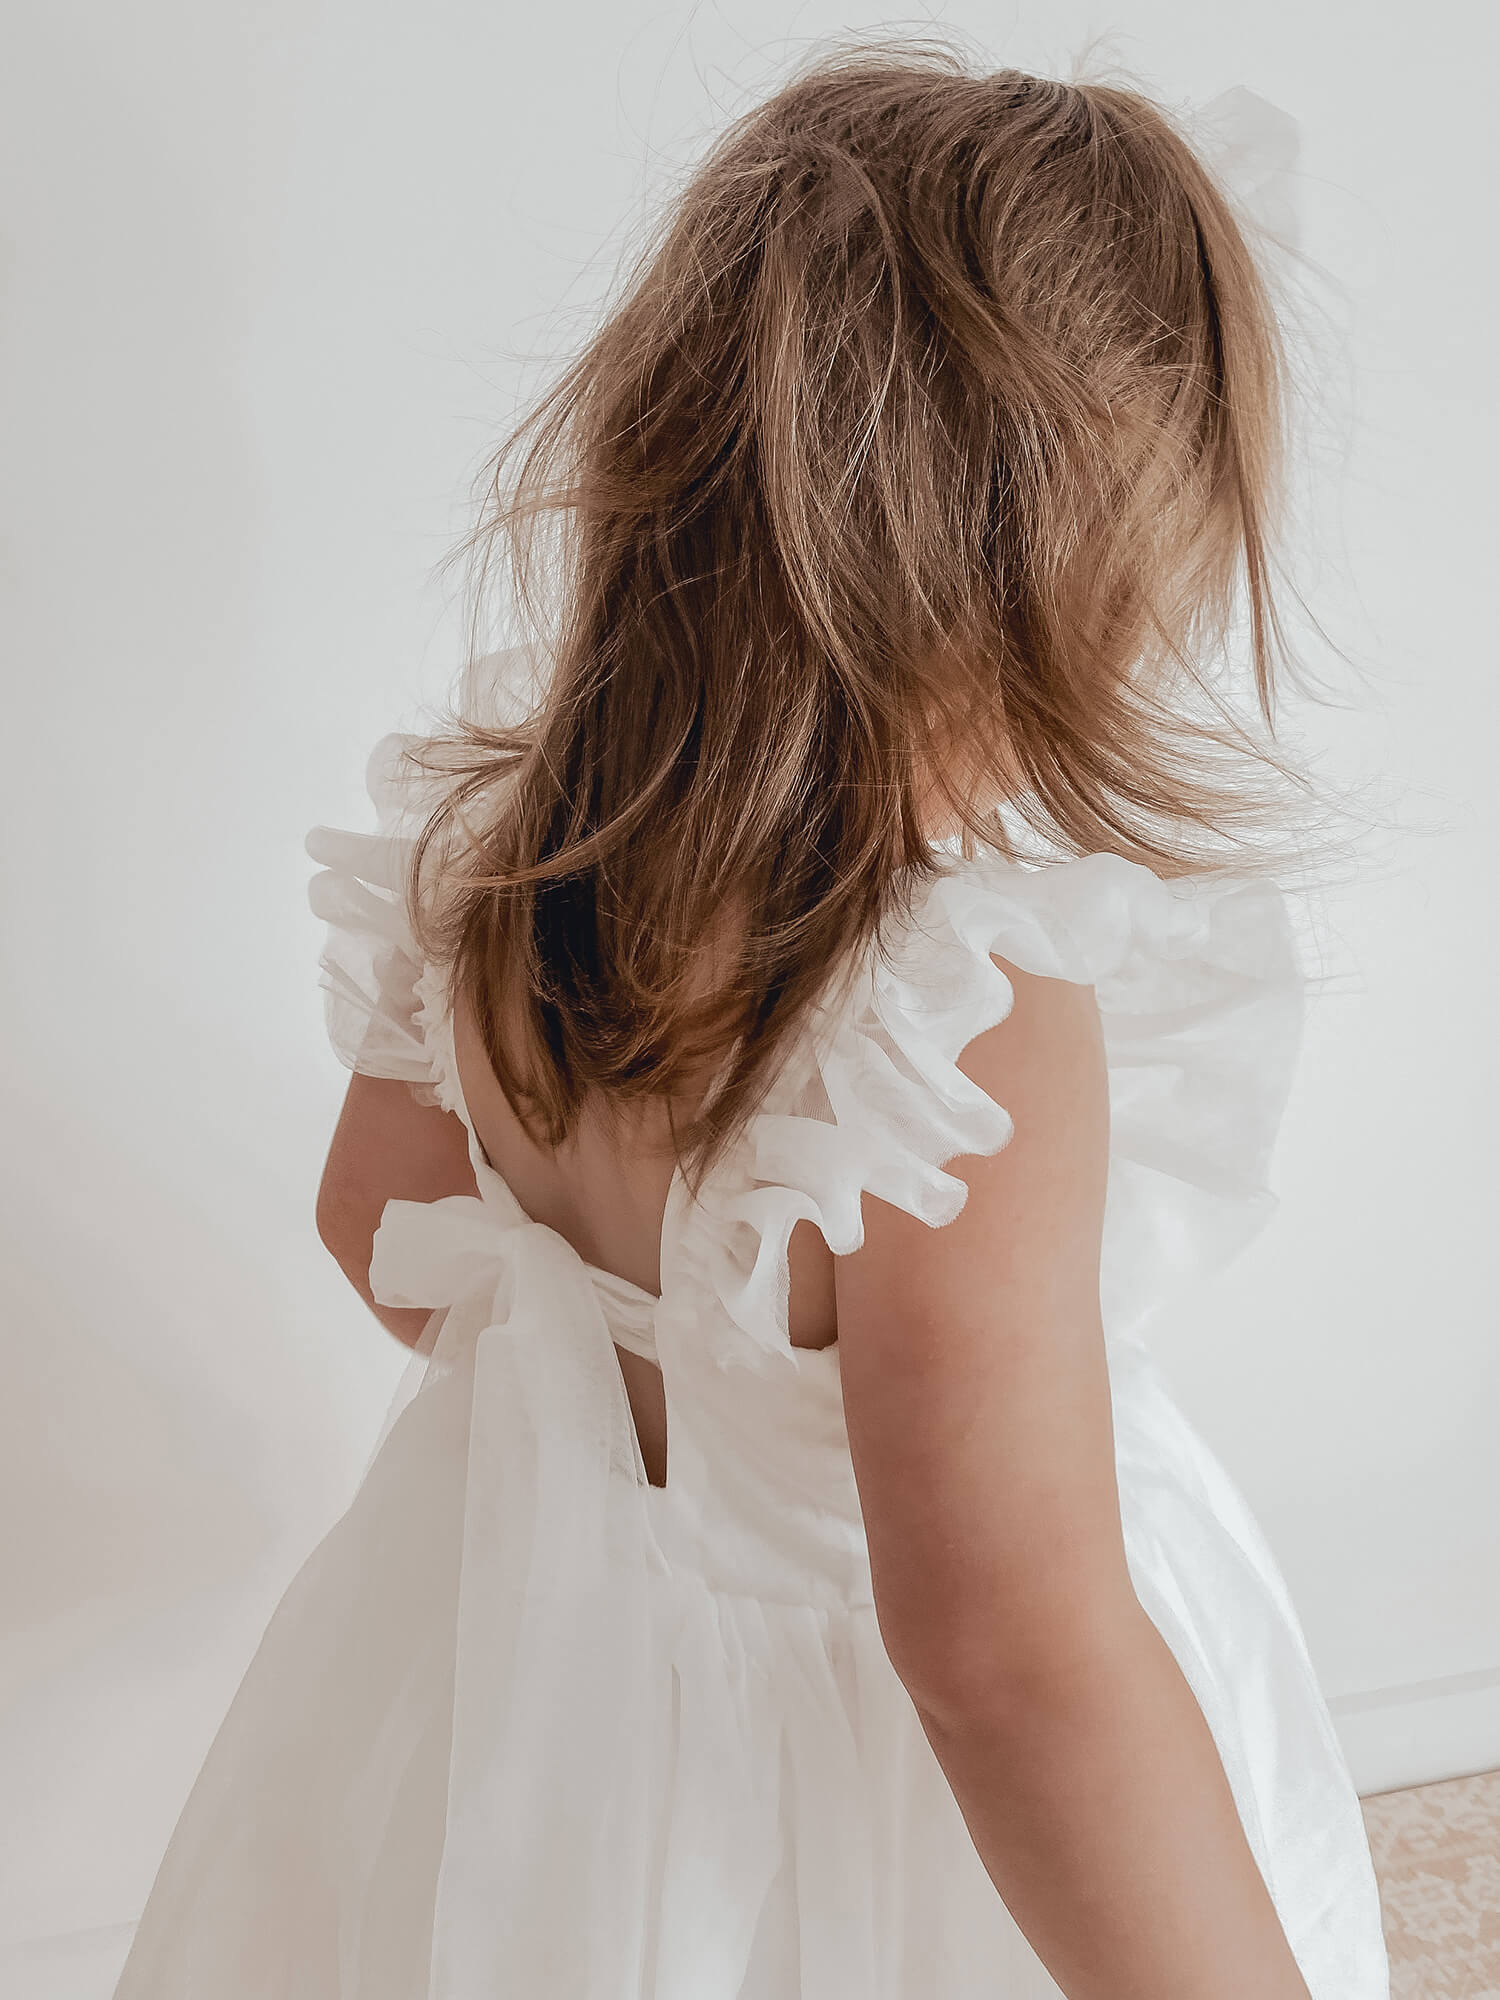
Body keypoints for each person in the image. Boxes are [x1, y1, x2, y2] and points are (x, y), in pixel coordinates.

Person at [113, 40, 1391, 2000]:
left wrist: (638, 1447)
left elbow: (376, 1218)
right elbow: (1006, 1650)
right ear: (1072, 575)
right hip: (866, 1785)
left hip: (551, 1704)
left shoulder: (488, 857)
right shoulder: (958, 1020)